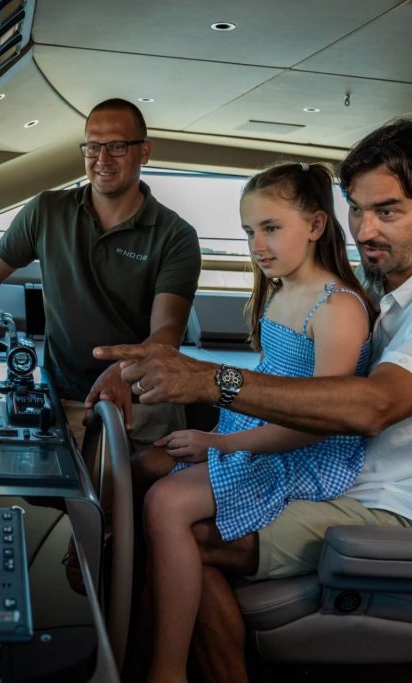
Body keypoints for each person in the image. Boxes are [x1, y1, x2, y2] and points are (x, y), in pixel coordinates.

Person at [95, 119, 412, 681]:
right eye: (357, 210)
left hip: (388, 508)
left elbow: (370, 408)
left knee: (171, 525)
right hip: (337, 476)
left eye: (386, 212)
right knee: (154, 498)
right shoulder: (387, 290)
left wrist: (213, 383)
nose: (365, 230)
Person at [141, 162, 373, 682]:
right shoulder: (279, 291)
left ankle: (167, 670)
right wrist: (217, 437)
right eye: (249, 232)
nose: (257, 245)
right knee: (143, 464)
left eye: (271, 229)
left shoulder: (338, 308)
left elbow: (318, 422)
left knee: (166, 501)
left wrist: (217, 442)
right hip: (257, 435)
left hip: (304, 455)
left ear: (315, 226)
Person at [0, 98, 201, 448]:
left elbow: (167, 330)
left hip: (144, 404)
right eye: (93, 146)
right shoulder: (46, 211)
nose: (102, 159)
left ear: (144, 151)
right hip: (66, 400)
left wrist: (123, 372)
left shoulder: (175, 235)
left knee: (135, 499)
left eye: (117, 146)